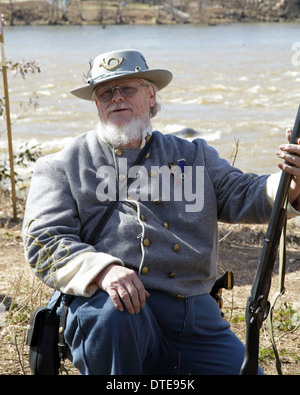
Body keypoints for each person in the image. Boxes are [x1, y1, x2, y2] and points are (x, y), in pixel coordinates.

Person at [23, 49, 300, 375]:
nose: (116, 99)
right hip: (116, 312)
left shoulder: (194, 155)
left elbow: (243, 194)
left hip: (197, 318)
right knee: (112, 316)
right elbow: (43, 241)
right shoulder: (62, 166)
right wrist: (102, 271)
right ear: (96, 104)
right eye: (104, 93)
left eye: (127, 89)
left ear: (151, 95)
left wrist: (293, 182)